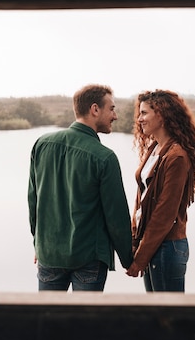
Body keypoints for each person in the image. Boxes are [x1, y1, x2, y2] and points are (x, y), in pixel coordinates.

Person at [28, 84, 133, 291]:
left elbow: (34, 201)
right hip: (89, 259)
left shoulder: (42, 144)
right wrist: (129, 260)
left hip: (49, 255)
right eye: (111, 109)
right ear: (95, 109)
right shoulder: (105, 157)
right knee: (86, 323)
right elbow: (116, 216)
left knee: (47, 320)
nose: (116, 116)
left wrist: (38, 244)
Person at [126, 90, 195, 292]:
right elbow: (142, 200)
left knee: (169, 317)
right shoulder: (154, 148)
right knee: (155, 315)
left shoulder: (177, 157)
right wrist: (134, 241)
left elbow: (165, 213)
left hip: (167, 247)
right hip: (152, 244)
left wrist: (140, 258)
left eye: (144, 113)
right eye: (140, 113)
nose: (139, 119)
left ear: (162, 115)